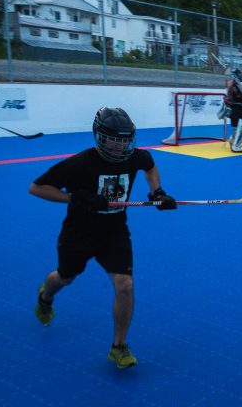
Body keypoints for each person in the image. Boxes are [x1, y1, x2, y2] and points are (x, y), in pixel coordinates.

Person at [28, 107, 177, 369]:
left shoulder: (135, 158)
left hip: (114, 230)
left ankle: (118, 346)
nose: (121, 146)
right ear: (99, 136)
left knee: (125, 285)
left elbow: (150, 166)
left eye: (126, 140)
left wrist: (158, 193)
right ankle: (45, 298)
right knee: (65, 277)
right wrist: (73, 197)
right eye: (114, 140)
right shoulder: (80, 163)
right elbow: (37, 188)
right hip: (79, 232)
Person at [224, 68, 242, 152]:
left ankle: (233, 140)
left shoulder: (240, 84)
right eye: (240, 73)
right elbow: (237, 97)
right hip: (236, 109)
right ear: (236, 75)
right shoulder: (232, 85)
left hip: (241, 108)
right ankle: (236, 146)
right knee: (240, 126)